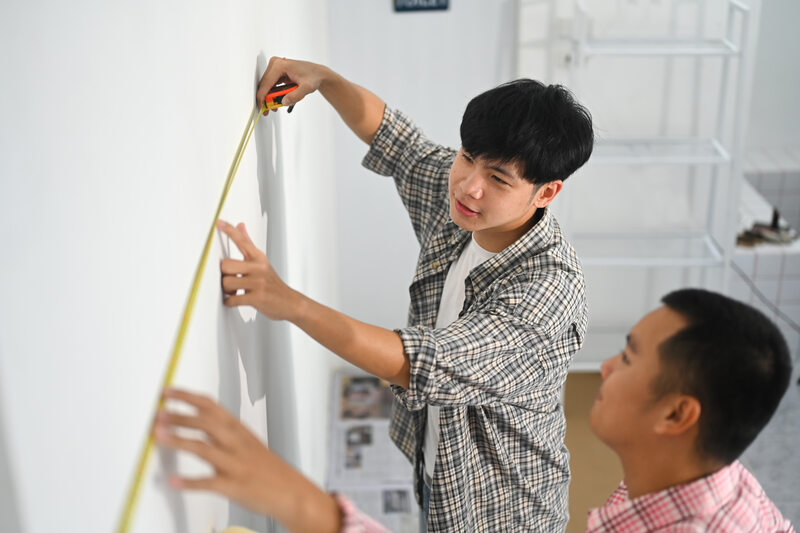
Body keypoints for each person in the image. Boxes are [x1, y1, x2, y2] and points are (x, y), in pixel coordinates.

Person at [211, 56, 593, 531]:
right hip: (438, 471)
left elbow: (422, 362)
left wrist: (287, 301)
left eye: (498, 179)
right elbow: (401, 145)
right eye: (467, 157)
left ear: (546, 193)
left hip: (500, 513)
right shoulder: (466, 205)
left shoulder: (546, 292)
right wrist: (326, 80)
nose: (469, 187)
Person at [155, 288, 795, 532]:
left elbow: (419, 362)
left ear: (677, 415)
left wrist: (307, 507)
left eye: (628, 358)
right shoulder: (695, 480)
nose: (603, 368)